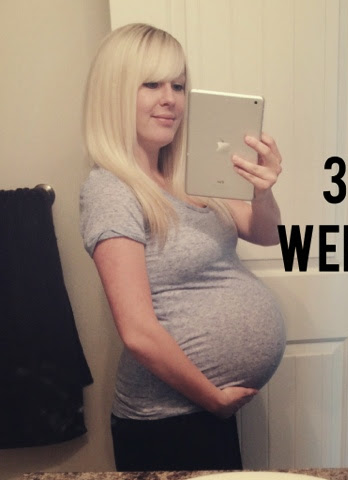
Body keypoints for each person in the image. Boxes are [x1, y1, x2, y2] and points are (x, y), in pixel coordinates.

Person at [80, 23, 286, 472]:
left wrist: (263, 190)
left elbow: (268, 234)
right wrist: (213, 399)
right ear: (116, 92)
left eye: (178, 85)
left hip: (205, 412)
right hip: (165, 422)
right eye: (151, 84)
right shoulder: (110, 189)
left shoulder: (190, 173)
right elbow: (137, 331)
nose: (170, 99)